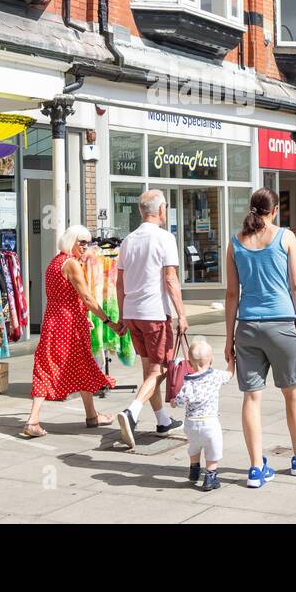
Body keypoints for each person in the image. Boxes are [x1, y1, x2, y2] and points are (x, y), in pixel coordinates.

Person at [224, 187, 296, 488]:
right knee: (292, 393)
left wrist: (229, 340)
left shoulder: (234, 244)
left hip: (248, 327)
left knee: (251, 397)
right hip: (282, 325)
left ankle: (255, 469)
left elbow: (231, 294)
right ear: (275, 210)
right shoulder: (285, 237)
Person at [21, 225, 116, 438]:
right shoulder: (71, 263)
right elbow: (88, 298)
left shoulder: (55, 262)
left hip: (56, 322)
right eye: (81, 242)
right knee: (48, 368)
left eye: (88, 242)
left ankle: (92, 415)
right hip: (67, 325)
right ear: (71, 240)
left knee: (80, 366)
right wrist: (109, 322)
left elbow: (65, 298)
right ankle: (32, 420)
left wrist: (82, 317)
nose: (86, 246)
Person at [114, 189, 186, 449]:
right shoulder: (165, 238)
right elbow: (170, 279)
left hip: (133, 313)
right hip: (154, 313)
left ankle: (162, 420)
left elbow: (119, 284)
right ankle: (132, 411)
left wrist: (122, 314)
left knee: (149, 370)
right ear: (162, 210)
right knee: (161, 369)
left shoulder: (128, 241)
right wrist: (181, 314)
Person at [170, 338, 231, 492]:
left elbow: (180, 400)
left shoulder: (188, 382)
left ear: (189, 363)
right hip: (210, 423)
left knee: (194, 446)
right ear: (211, 361)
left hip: (191, 423)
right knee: (213, 449)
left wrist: (173, 402)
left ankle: (194, 468)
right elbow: (230, 374)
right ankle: (210, 477)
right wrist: (232, 360)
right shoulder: (216, 376)